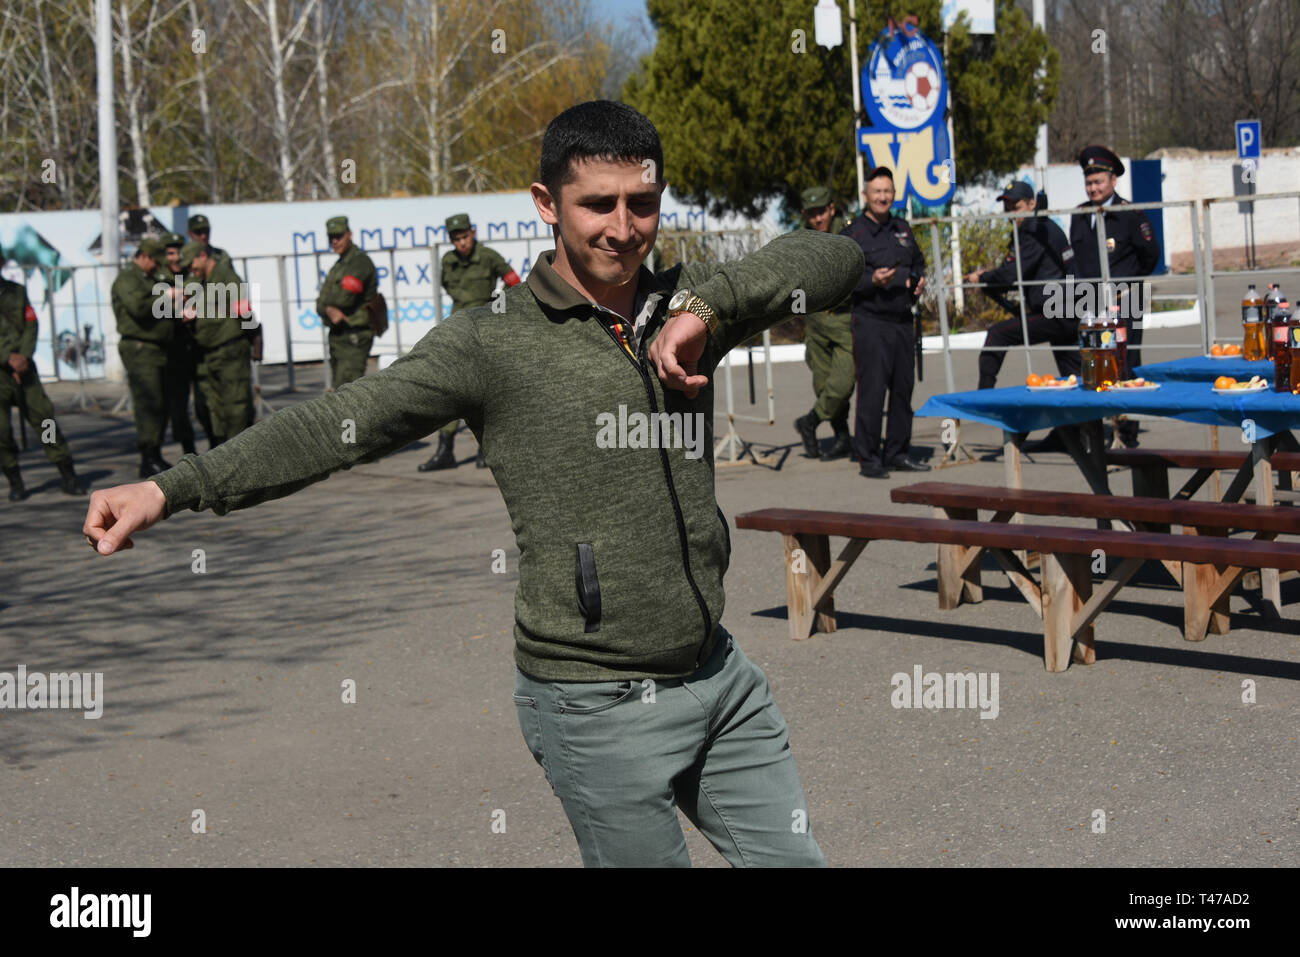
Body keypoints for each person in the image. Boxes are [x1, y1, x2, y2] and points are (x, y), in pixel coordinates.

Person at [84, 99, 863, 868]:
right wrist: (172, 488)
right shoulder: (492, 341)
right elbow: (339, 422)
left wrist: (706, 304)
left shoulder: (685, 302)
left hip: (720, 678)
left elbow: (837, 260)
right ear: (545, 204)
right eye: (597, 205)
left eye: (642, 204)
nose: (623, 229)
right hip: (598, 703)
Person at [840, 166, 930, 478]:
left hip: (903, 320)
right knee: (873, 391)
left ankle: (897, 453)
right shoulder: (853, 234)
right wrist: (872, 279)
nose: (883, 197)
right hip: (871, 321)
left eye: (887, 191)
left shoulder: (902, 227)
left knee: (903, 390)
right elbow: (841, 277)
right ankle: (869, 457)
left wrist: (919, 281)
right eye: (877, 191)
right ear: (866, 195)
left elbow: (918, 262)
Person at [1069, 145, 1161, 448]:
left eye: (1099, 182)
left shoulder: (1129, 214)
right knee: (1094, 362)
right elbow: (1079, 259)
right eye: (1089, 182)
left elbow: (1150, 256)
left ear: (1113, 181)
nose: (1093, 188)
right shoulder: (1080, 216)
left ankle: (1127, 432)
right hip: (1092, 301)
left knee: (1126, 361)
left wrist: (1128, 287)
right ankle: (1096, 429)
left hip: (1126, 299)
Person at [419, 212, 521, 471]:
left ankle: (485, 448)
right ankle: (445, 449)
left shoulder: (488, 257)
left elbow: (513, 281)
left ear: (472, 233)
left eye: (464, 237)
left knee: (485, 389)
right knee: (453, 388)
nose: (461, 243)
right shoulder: (449, 260)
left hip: (485, 329)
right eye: (456, 239)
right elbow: (448, 286)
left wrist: (498, 303)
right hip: (458, 328)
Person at [967, 181, 1076, 389]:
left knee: (997, 335)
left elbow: (1011, 273)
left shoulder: (1033, 230)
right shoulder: (1045, 226)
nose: (1011, 215)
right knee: (1073, 372)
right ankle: (1083, 421)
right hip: (1065, 309)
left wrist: (981, 278)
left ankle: (984, 397)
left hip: (1054, 312)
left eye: (1016, 208)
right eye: (1007, 209)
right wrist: (990, 278)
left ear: (1032, 204)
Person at [1, 271, 82, 500]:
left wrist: (23, 357)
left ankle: (67, 473)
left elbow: (31, 323)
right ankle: (15, 481)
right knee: (2, 432)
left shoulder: (15, 291)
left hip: (24, 370)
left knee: (45, 421)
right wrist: (7, 356)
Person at [792, 186, 854, 461]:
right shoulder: (799, 238)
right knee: (822, 382)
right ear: (806, 214)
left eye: (823, 212)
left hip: (844, 318)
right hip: (815, 319)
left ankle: (810, 421)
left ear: (832, 208)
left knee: (843, 382)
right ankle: (842, 437)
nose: (818, 219)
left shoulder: (850, 232)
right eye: (812, 214)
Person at [111, 237, 178, 476]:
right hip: (140, 348)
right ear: (145, 256)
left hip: (156, 348)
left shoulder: (148, 278)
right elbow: (138, 306)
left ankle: (155, 453)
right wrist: (167, 296)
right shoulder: (128, 278)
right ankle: (148, 455)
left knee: (160, 403)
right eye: (155, 261)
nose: (157, 267)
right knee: (148, 403)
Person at [178, 241, 254, 445]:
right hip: (213, 353)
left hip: (230, 351)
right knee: (218, 409)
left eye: (192, 263)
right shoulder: (205, 280)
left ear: (203, 255)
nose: (191, 268)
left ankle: (240, 454)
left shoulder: (225, 276)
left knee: (235, 408)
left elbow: (243, 309)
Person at [315, 216, 377, 388]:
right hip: (339, 336)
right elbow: (320, 303)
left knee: (348, 394)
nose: (334, 241)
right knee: (339, 392)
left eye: (339, 236)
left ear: (349, 234)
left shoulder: (359, 263)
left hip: (353, 336)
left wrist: (328, 305)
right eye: (331, 238)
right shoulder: (339, 266)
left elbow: (343, 300)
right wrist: (328, 309)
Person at [158, 231, 202, 455]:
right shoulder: (158, 279)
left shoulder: (191, 275)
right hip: (172, 350)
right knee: (178, 406)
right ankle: (188, 451)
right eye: (170, 253)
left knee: (205, 403)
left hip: (198, 346)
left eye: (178, 252)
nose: (175, 258)